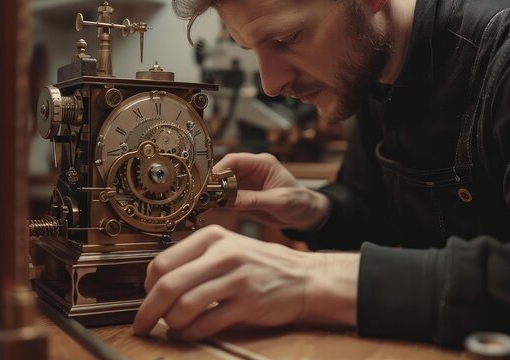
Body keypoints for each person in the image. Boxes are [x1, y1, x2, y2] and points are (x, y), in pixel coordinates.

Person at [132, 0, 510, 348]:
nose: (271, 84)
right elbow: (374, 214)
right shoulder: (372, 69)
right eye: (251, 50)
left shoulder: (501, 55)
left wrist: (309, 280)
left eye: (286, 38)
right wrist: (317, 210)